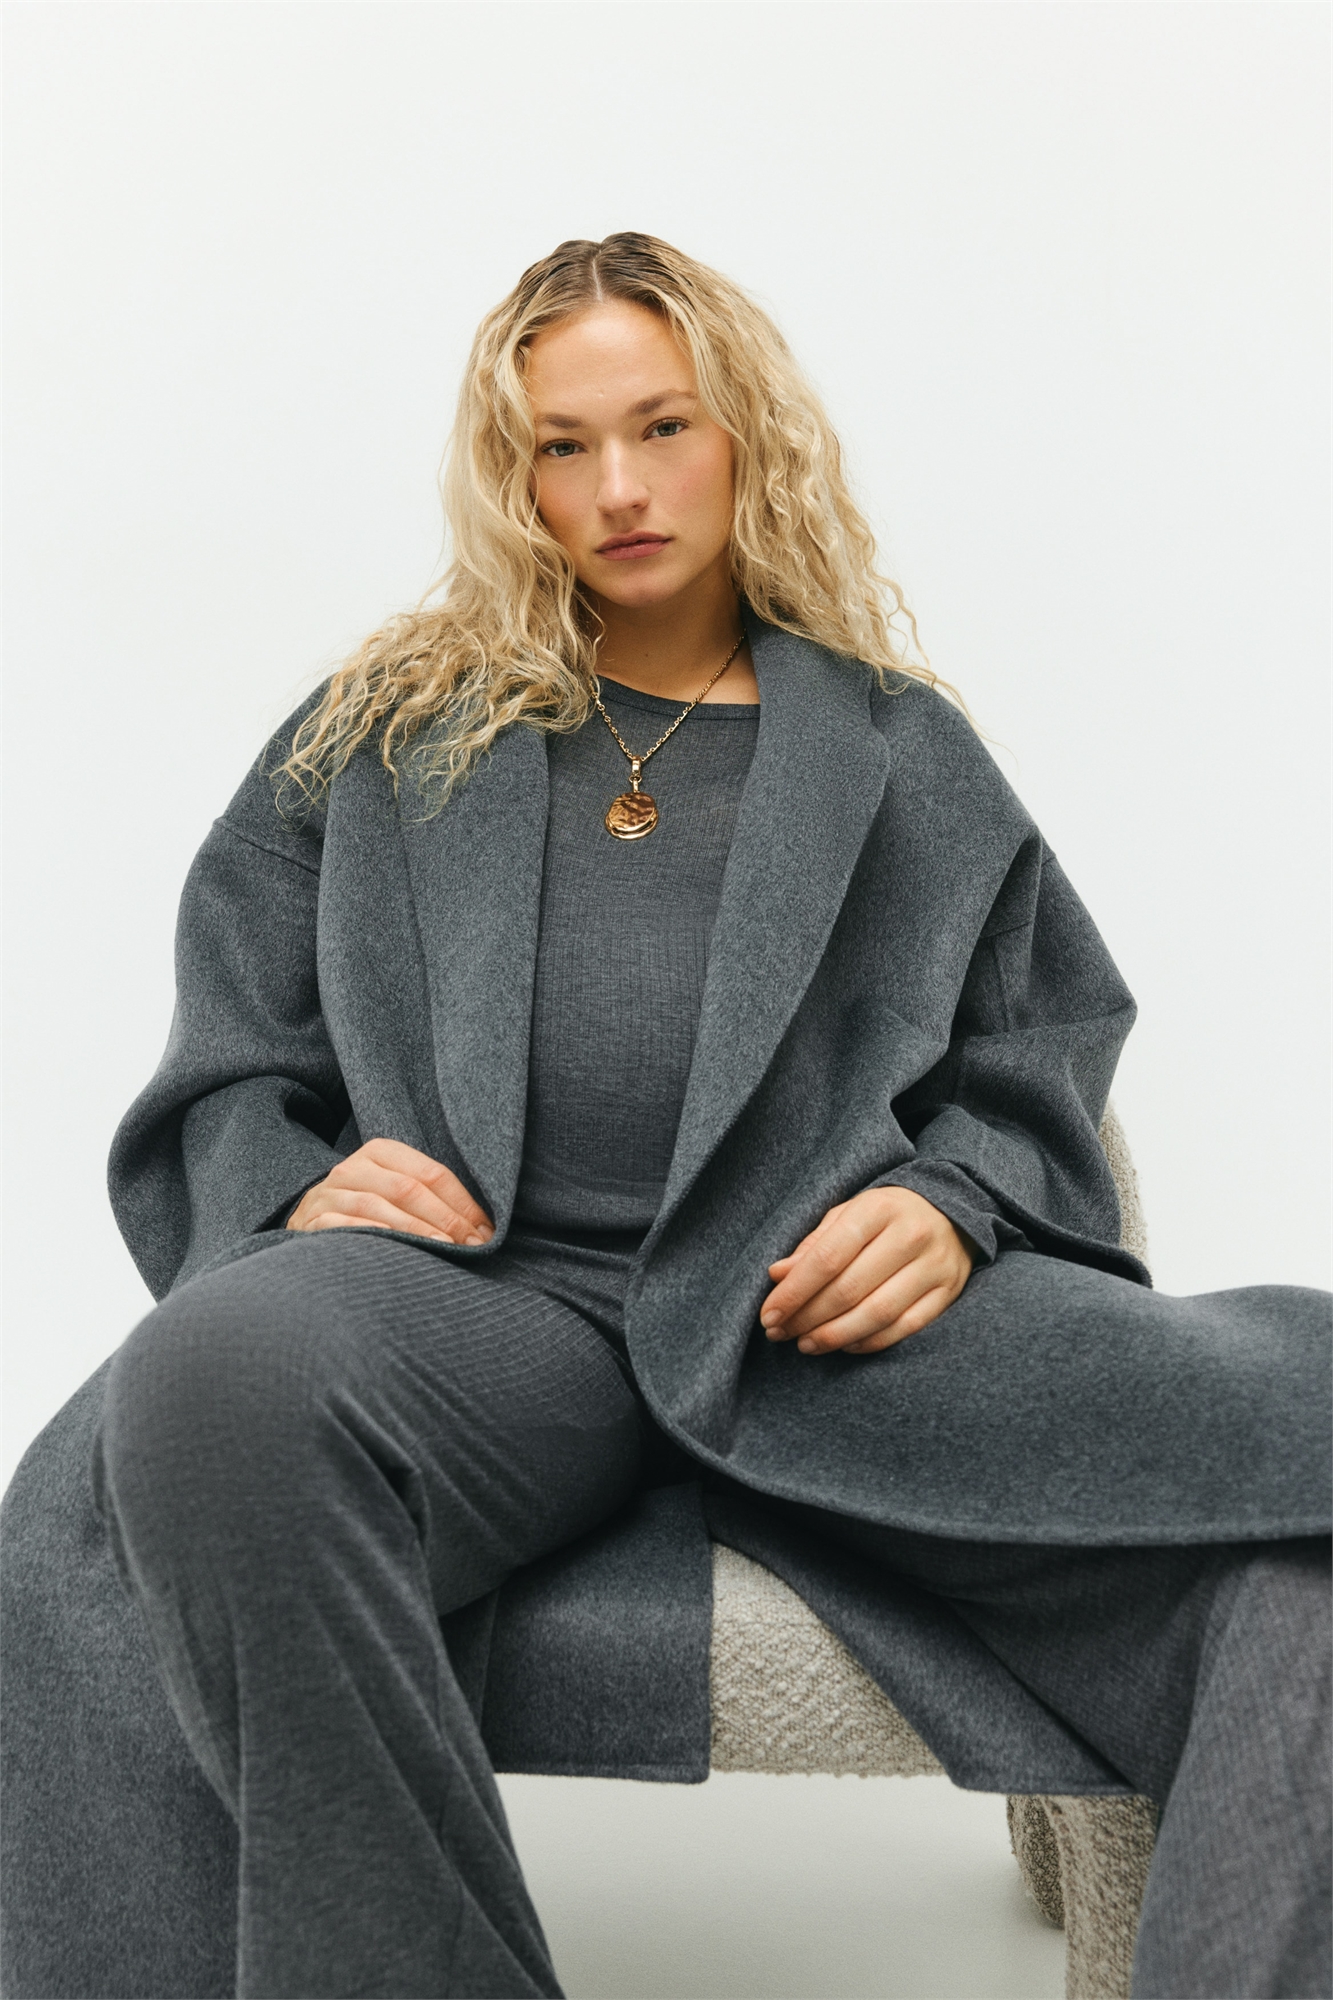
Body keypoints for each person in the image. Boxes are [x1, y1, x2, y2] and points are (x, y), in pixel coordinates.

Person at [1, 233, 1328, 2000]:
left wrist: (950, 1203)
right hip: (480, 1310)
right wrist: (284, 1184)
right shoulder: (382, 733)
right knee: (205, 1381)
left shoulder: (898, 750)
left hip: (822, 1330)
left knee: (1295, 1552)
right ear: (512, 475)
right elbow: (233, 1048)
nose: (616, 487)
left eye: (660, 426)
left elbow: (1036, 1049)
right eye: (560, 445)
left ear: (744, 433)